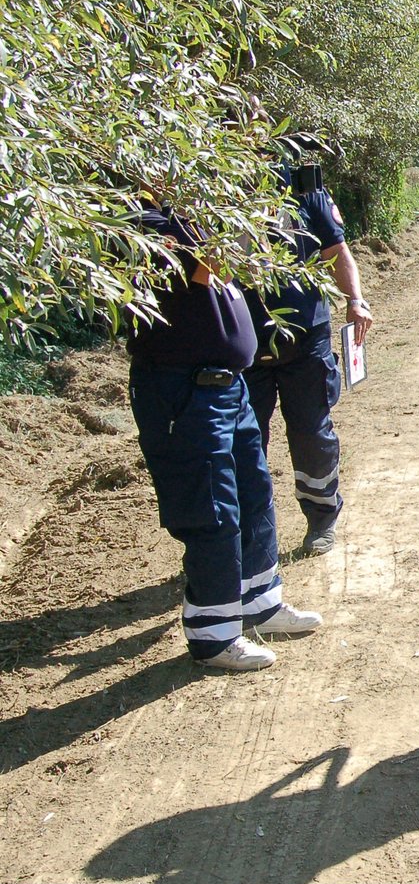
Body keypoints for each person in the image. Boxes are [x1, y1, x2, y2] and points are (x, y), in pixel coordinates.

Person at [127, 201, 325, 671]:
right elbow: (205, 267)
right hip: (184, 391)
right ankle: (213, 637)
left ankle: (260, 604)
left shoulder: (190, 205)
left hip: (226, 385)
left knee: (254, 494)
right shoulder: (141, 219)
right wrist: (250, 219)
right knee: (212, 510)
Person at [243, 157, 372, 557]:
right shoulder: (217, 189)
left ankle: (321, 521)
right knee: (244, 443)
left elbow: (335, 249)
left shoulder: (301, 185)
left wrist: (356, 300)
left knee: (312, 435)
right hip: (245, 343)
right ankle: (249, 539)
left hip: (305, 338)